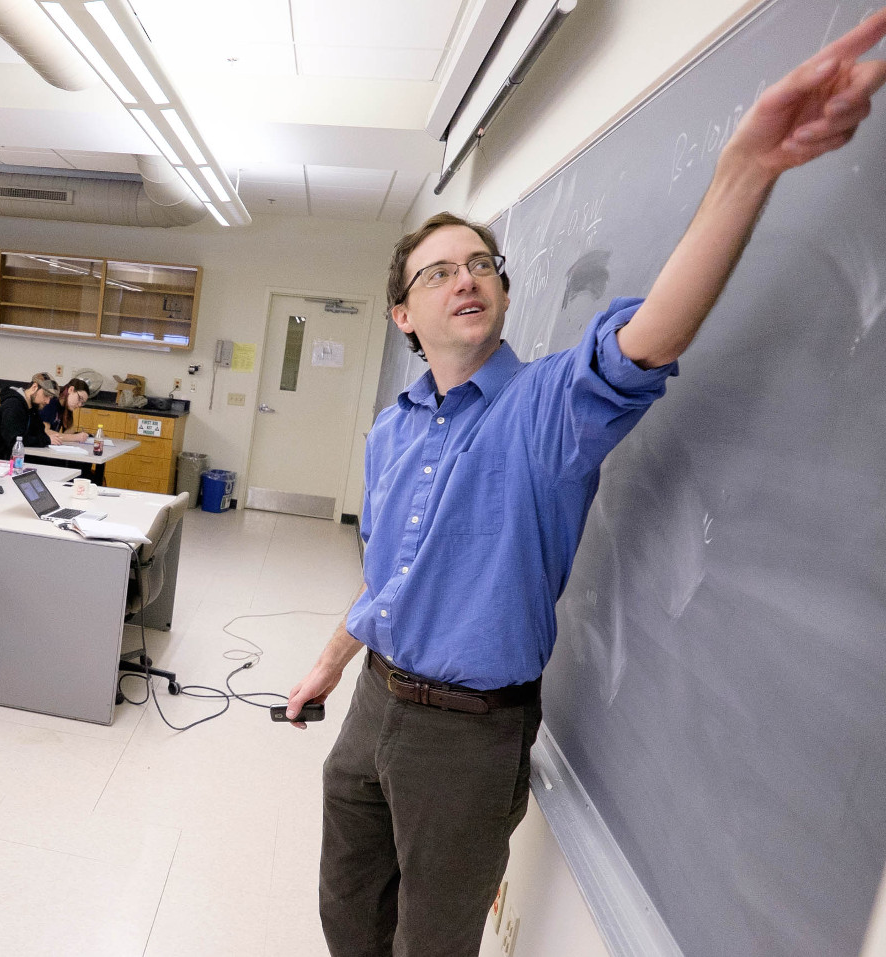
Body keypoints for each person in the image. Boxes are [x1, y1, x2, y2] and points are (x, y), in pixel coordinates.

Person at [283, 16, 886, 956]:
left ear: (503, 292)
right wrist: (330, 661)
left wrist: (747, 171)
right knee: (347, 913)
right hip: (372, 706)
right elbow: (390, 576)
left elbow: (649, 338)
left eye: (480, 264)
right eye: (438, 273)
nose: (465, 280)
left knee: (429, 944)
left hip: (466, 736)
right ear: (405, 314)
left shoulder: (546, 407)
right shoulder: (395, 428)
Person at [0, 372, 57, 459]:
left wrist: (45, 439)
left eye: (50, 398)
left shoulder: (31, 408)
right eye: (46, 396)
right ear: (34, 387)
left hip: (14, 458)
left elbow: (40, 433)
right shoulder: (13, 405)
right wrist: (47, 440)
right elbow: (15, 440)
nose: (47, 401)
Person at [41, 377, 92, 443]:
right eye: (79, 398)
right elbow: (45, 432)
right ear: (71, 390)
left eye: (82, 403)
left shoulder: (67, 407)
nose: (79, 405)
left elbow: (69, 432)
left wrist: (82, 435)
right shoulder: (50, 402)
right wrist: (76, 437)